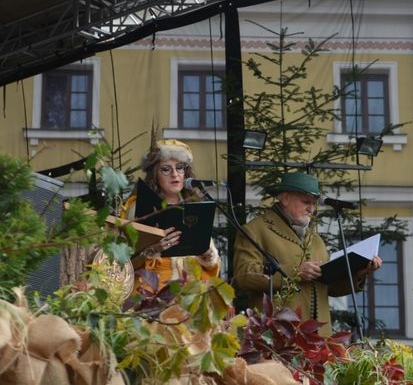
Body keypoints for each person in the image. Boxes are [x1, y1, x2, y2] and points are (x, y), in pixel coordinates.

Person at [233, 172, 382, 337]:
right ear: (285, 198)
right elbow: (243, 275)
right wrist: (295, 272)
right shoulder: (255, 230)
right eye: (306, 202)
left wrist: (359, 273)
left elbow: (328, 287)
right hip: (278, 337)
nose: (312, 208)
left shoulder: (315, 239)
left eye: (314, 203)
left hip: (319, 340)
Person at [122, 139, 220, 290]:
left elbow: (210, 262)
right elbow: (123, 262)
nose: (175, 174)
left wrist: (207, 255)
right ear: (154, 174)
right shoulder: (138, 207)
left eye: (180, 168)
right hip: (152, 296)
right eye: (166, 169)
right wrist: (153, 249)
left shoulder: (195, 207)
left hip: (190, 296)